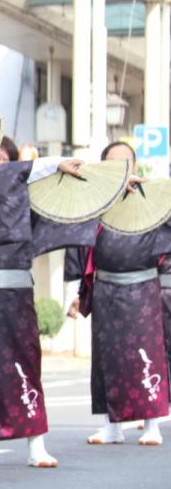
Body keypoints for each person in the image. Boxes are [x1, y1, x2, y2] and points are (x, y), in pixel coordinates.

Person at [0, 137, 90, 468]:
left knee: (25, 365)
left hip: (17, 292)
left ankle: (36, 443)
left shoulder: (25, 194)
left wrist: (110, 182)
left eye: (3, 158)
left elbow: (83, 192)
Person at [66, 142, 169, 446]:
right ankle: (113, 424)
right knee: (106, 357)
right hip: (107, 288)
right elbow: (83, 247)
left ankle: (152, 423)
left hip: (144, 287)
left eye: (125, 163)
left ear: (135, 165)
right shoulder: (95, 203)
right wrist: (80, 293)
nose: (121, 169)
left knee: (147, 355)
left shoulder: (154, 198)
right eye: (112, 163)